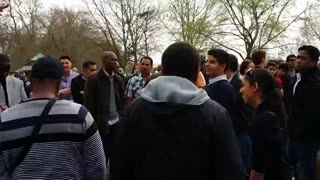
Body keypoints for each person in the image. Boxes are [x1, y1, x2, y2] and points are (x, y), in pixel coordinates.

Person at [111, 42, 244, 180]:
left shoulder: (133, 110)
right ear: (197, 71)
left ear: (163, 68)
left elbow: (119, 165)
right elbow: (232, 171)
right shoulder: (216, 115)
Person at [0, 57, 106, 179]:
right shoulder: (79, 115)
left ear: (30, 79)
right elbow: (97, 165)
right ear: (59, 82)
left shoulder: (6, 118)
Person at [240, 68, 290, 180]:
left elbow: (259, 165)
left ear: (255, 87)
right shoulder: (268, 113)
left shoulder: (263, 120)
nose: (241, 90)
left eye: (243, 85)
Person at [84, 51, 125, 161]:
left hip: (116, 121)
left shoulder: (118, 79)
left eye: (116, 60)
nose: (116, 62)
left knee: (116, 153)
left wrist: (122, 116)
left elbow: (122, 100)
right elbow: (88, 103)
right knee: (102, 154)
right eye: (112, 60)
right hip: (101, 124)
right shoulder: (93, 79)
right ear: (104, 61)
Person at [288, 45, 320, 180]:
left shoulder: (315, 84)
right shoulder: (296, 79)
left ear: (313, 61)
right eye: (298, 57)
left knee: (307, 173)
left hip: (307, 139)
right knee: (293, 170)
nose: (298, 60)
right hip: (292, 135)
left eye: (303, 58)